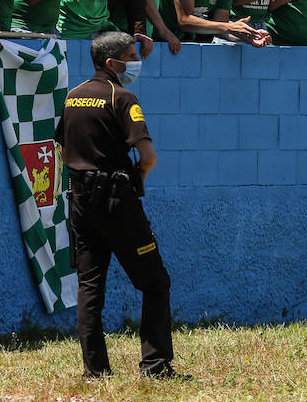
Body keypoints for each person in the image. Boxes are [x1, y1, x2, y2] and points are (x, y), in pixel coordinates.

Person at [57, 31, 179, 380]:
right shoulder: (122, 97)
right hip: (117, 203)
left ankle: (95, 371)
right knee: (155, 281)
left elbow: (65, 152)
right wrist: (134, 176)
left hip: (80, 202)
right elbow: (149, 157)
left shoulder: (72, 98)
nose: (135, 61)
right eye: (130, 55)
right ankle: (155, 366)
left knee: (90, 287)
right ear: (111, 63)